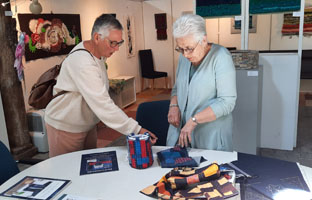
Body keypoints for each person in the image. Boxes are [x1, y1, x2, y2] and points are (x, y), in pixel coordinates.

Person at [44, 14, 157, 157]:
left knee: (89, 167)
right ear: (97, 38)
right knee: (67, 171)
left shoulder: (97, 55)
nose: (116, 49)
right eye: (112, 43)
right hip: (66, 125)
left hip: (86, 123)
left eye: (119, 43)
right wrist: (136, 129)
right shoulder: (83, 62)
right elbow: (103, 104)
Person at [167, 14, 237, 151]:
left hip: (210, 136)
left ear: (203, 40)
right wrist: (174, 105)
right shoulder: (184, 57)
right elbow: (177, 88)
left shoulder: (222, 58)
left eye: (189, 48)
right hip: (181, 134)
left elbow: (227, 102)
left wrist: (194, 121)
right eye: (180, 49)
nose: (185, 54)